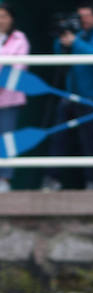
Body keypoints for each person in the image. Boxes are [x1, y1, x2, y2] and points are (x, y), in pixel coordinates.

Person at [42, 3, 93, 192]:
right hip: (70, 94)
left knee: (88, 141)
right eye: (80, 17)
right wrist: (63, 39)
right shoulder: (78, 32)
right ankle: (52, 178)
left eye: (86, 16)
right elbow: (59, 55)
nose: (82, 21)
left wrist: (75, 42)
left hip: (92, 96)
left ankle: (92, 182)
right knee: (59, 136)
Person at [0, 2, 28, 193]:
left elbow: (18, 69)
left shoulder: (20, 38)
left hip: (9, 100)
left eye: (4, 16)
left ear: (11, 19)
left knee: (7, 141)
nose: (0, 20)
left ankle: (4, 180)